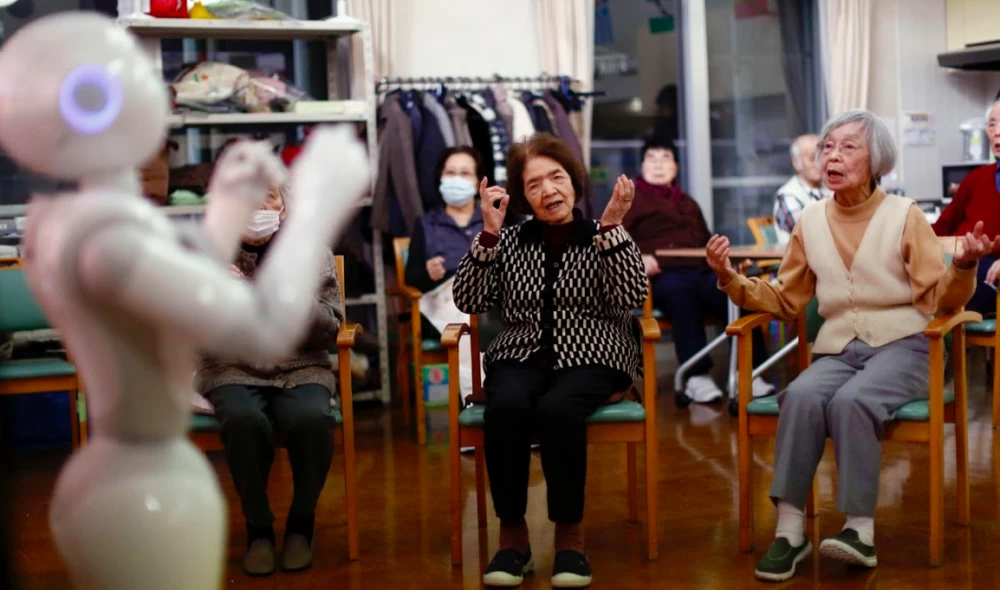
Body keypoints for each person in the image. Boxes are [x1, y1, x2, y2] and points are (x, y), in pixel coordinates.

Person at [706, 110, 992, 582]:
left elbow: (940, 300)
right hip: (839, 349)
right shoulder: (810, 220)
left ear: (875, 159)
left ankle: (860, 531)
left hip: (908, 346)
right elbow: (786, 298)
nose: (832, 156)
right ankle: (790, 532)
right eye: (828, 147)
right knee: (800, 395)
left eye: (848, 147)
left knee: (853, 401)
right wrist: (730, 279)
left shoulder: (904, 214)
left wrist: (962, 266)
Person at [452, 133, 647, 588]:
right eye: (534, 184)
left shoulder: (602, 233)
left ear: (574, 182)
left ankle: (570, 539)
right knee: (508, 405)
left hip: (594, 351)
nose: (549, 191)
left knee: (558, 408)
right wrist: (488, 233)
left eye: (556, 178)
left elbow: (633, 295)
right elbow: (468, 299)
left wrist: (612, 227)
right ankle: (513, 538)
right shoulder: (510, 239)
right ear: (523, 197)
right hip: (520, 353)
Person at [195, 182, 344, 577]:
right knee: (243, 420)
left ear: (284, 206)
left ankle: (301, 523)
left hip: (300, 365)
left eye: (270, 195)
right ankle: (258, 528)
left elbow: (331, 328)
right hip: (231, 365)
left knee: (311, 420)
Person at [623, 137, 773, 403]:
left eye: (665, 159)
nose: (658, 165)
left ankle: (749, 372)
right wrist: (637, 259)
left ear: (676, 167)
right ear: (642, 166)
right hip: (662, 276)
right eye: (651, 159)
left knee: (737, 291)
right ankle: (696, 376)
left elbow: (706, 240)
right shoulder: (632, 201)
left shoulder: (687, 202)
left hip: (700, 271)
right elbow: (613, 242)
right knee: (682, 295)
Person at [933, 100, 1000, 317]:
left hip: (986, 275)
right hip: (951, 265)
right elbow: (941, 227)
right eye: (992, 124)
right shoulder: (976, 178)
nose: (997, 132)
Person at [773, 134, 826, 245]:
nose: (819, 164)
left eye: (821, 157)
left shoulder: (830, 188)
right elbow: (812, 235)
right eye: (812, 158)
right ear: (796, 162)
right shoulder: (787, 195)